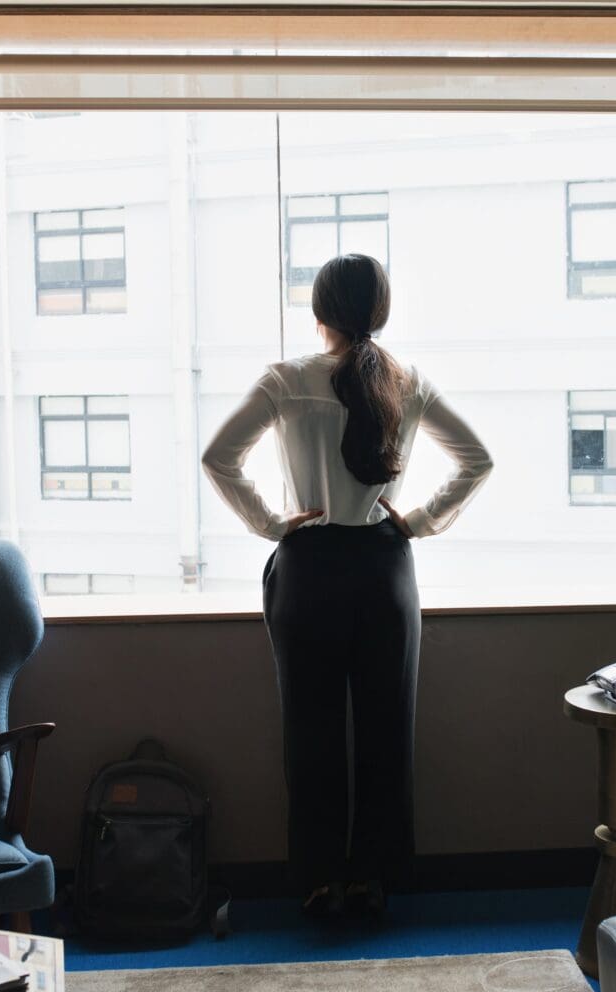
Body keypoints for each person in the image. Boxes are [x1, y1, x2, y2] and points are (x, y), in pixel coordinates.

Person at [201, 253, 493, 917]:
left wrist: (273, 523)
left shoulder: (286, 380)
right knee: (387, 731)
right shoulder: (408, 381)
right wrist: (416, 520)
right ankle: (374, 878)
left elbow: (218, 458)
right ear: (380, 311)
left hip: (309, 568)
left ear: (320, 313)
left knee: (312, 732)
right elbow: (478, 460)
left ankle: (317, 879)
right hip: (383, 566)